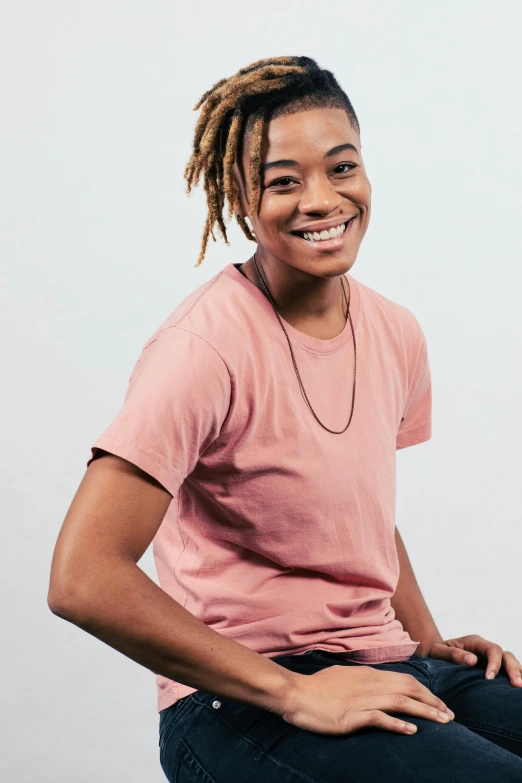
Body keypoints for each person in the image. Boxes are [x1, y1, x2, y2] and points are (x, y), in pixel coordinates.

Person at [47, 56, 522, 782]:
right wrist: (297, 692)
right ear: (241, 201)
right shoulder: (202, 349)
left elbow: (354, 510)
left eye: (341, 168)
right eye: (282, 181)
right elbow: (82, 575)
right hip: (236, 698)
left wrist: (429, 644)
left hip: (381, 662)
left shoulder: (396, 331)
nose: (321, 199)